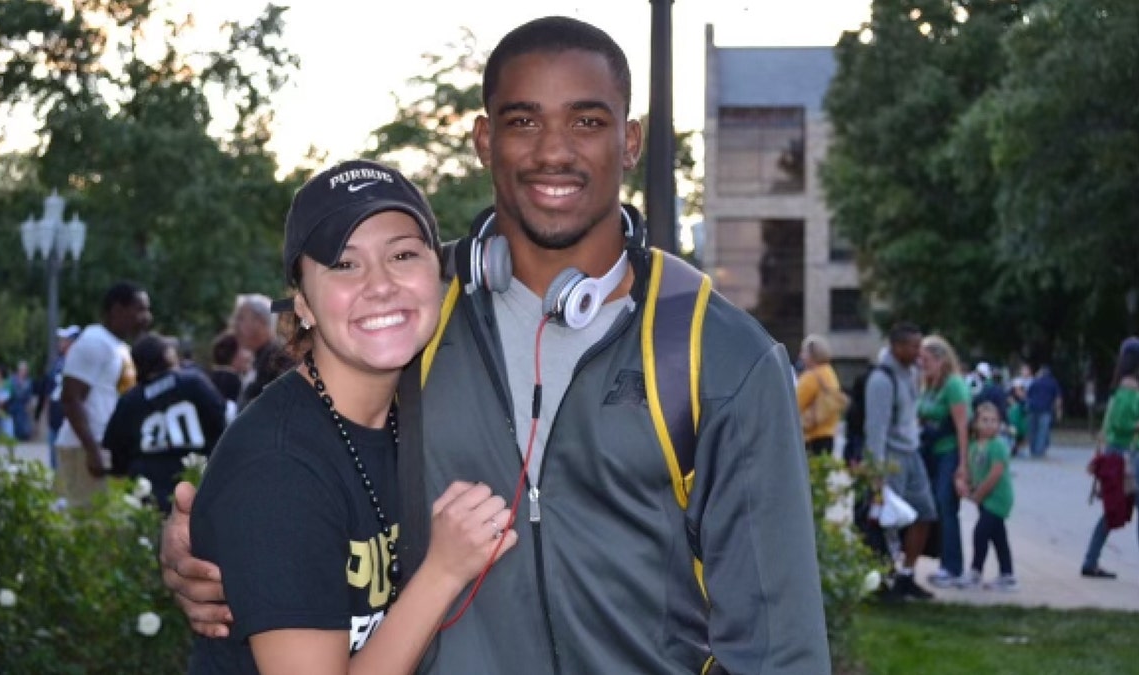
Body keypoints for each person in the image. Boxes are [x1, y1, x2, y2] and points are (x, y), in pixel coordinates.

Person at [162, 16, 829, 674]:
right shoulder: (414, 316)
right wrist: (218, 545)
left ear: (630, 142)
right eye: (524, 121)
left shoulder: (719, 357)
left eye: (588, 121)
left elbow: (778, 644)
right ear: (485, 140)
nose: (553, 151)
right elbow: (306, 449)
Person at [188, 159, 517, 674]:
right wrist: (444, 571)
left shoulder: (421, 413)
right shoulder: (277, 467)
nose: (380, 285)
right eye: (344, 264)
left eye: (403, 254)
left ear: (438, 275)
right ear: (304, 305)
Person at [103, 333, 228, 513]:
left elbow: (116, 451)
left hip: (150, 490)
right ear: (166, 356)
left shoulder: (130, 401)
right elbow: (220, 421)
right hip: (197, 481)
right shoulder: (194, 382)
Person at [55, 281, 152, 508]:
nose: (146, 316)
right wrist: (92, 449)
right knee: (87, 525)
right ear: (118, 309)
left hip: (106, 447)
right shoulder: (94, 342)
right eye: (140, 309)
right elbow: (71, 398)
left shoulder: (118, 346)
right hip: (86, 449)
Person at [865, 322, 939, 600]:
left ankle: (907, 574)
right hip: (891, 457)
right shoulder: (882, 380)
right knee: (888, 523)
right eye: (913, 346)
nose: (919, 352)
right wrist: (876, 471)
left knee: (925, 513)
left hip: (912, 452)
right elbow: (876, 429)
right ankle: (885, 578)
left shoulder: (910, 374)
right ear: (897, 347)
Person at [1079, 337, 1139, 579]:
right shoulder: (1130, 389)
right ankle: (1090, 560)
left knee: (1114, 509)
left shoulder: (1120, 389)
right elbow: (1122, 424)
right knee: (1117, 508)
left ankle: (1090, 560)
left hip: (1119, 455)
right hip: (1129, 457)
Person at [917, 334, 972, 588]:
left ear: (940, 359)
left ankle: (953, 566)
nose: (921, 363)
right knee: (936, 508)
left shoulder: (954, 385)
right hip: (930, 453)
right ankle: (942, 561)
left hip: (949, 452)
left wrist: (963, 466)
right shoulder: (929, 385)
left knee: (947, 506)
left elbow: (962, 428)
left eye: (926, 359)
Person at [960, 401, 1016, 590]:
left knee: (981, 533)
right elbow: (973, 471)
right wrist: (967, 485)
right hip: (984, 499)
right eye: (984, 420)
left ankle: (975, 572)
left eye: (994, 421)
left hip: (998, 498)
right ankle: (1007, 575)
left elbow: (995, 473)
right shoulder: (975, 446)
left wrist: (978, 494)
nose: (990, 424)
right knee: (998, 536)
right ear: (975, 423)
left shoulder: (997, 446)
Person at [230, 293, 291, 410]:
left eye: (241, 318)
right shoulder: (262, 358)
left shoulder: (279, 359)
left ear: (260, 322)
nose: (235, 325)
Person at [35, 325, 81, 469]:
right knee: (54, 463)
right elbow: (48, 390)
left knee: (69, 463)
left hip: (69, 420)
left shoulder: (81, 364)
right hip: (55, 418)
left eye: (65, 340)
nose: (61, 343)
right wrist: (43, 413)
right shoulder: (58, 363)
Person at [797, 333, 845, 456]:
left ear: (813, 354)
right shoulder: (830, 373)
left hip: (811, 436)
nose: (801, 356)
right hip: (829, 435)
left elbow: (795, 405)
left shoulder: (811, 377)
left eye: (804, 352)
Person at [1025, 364, 1063, 459]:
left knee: (1033, 430)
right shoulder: (1053, 382)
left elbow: (1028, 395)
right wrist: (1058, 411)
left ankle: (1033, 449)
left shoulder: (1035, 382)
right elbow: (1058, 398)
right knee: (1042, 431)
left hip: (1032, 408)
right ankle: (1039, 452)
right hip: (1045, 409)